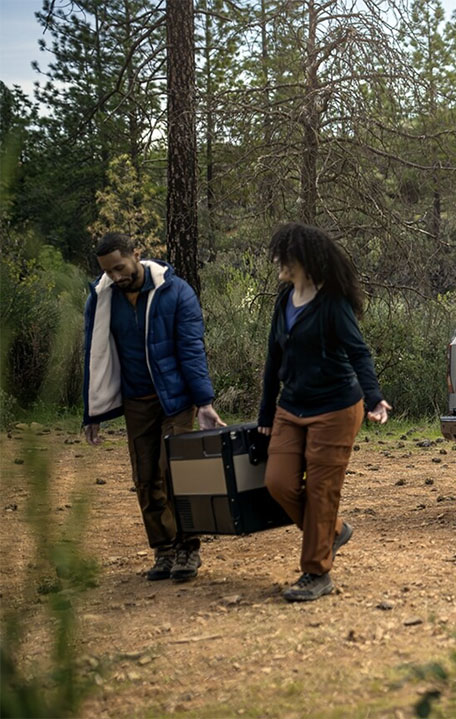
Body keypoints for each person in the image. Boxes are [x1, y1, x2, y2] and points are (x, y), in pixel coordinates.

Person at [258, 223, 391, 602]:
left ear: (302, 259)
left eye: (282, 256)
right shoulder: (284, 298)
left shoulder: (333, 302)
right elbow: (273, 358)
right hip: (291, 406)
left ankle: (316, 572)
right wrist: (267, 413)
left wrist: (375, 398)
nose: (276, 262)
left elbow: (358, 352)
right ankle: (331, 530)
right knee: (278, 482)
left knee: (320, 490)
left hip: (335, 407)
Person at [82, 232, 226, 582]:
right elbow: (95, 354)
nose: (116, 277)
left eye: (120, 267)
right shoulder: (103, 299)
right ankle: (163, 549)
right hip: (137, 401)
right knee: (145, 477)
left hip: (176, 400)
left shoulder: (176, 293)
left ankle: (188, 548)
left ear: (136, 254)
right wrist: (93, 411)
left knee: (175, 470)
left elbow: (192, 351)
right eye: (108, 272)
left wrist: (203, 402)